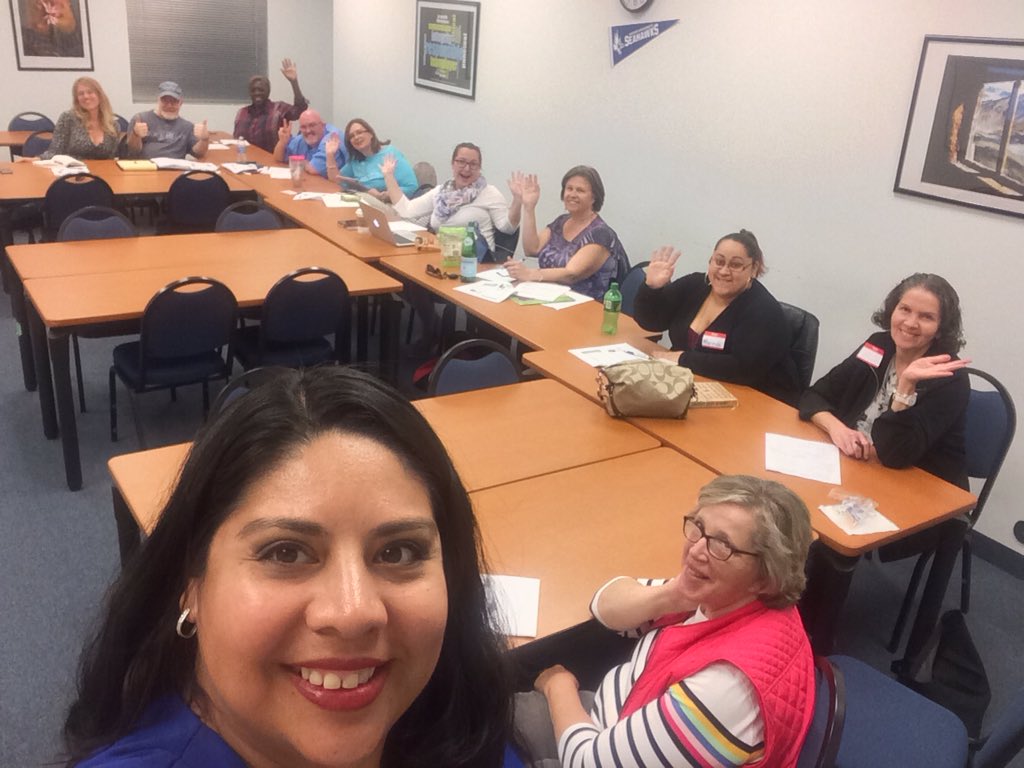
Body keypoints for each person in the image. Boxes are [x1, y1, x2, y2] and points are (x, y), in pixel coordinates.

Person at [62, 367, 516, 768]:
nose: (353, 613)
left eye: (398, 552)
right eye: (285, 553)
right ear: (190, 583)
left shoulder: (458, 721)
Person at [519, 475, 815, 767]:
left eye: (722, 544)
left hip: (591, 748)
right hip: (617, 721)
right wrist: (673, 594)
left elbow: (587, 763)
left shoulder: (728, 687)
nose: (695, 551)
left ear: (765, 577)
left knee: (494, 707)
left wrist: (558, 685)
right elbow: (603, 606)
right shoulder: (724, 597)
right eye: (699, 527)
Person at [798, 272, 970, 667]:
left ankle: (814, 644)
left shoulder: (950, 379)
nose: (910, 322)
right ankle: (784, 610)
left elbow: (895, 454)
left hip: (922, 490)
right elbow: (814, 395)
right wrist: (838, 428)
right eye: (904, 309)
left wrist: (905, 388)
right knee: (784, 502)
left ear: (941, 326)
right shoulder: (877, 345)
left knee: (832, 539)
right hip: (857, 463)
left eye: (926, 317)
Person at [381, 142, 523, 353]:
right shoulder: (441, 192)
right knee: (404, 276)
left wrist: (518, 201)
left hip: (475, 264)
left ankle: (438, 334)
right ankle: (432, 325)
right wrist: (388, 176)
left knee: (416, 280)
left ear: (480, 168)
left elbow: (508, 227)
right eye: (461, 162)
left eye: (473, 164)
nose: (466, 169)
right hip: (444, 258)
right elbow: (407, 210)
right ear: (452, 163)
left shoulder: (489, 193)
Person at [632, 231, 801, 404]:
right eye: (719, 261)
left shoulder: (763, 310)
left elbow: (743, 369)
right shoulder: (694, 285)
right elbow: (651, 322)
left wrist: (682, 359)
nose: (724, 271)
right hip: (694, 385)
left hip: (756, 400)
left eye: (735, 265)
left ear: (754, 268)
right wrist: (651, 288)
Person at [504, 166, 627, 301]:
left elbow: (570, 274)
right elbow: (532, 249)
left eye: (580, 190)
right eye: (569, 189)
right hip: (548, 296)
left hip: (585, 305)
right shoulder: (561, 221)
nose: (572, 194)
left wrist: (529, 274)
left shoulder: (600, 234)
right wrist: (529, 207)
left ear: (594, 198)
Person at [26, 77, 119, 160]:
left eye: (90, 92)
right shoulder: (67, 118)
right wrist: (37, 159)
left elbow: (111, 159)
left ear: (100, 95)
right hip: (72, 172)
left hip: (103, 172)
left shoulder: (113, 126)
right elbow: (55, 151)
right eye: (81, 94)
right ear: (77, 99)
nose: (86, 96)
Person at [327, 118, 418, 200]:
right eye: (352, 136)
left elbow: (411, 187)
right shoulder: (355, 161)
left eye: (359, 132)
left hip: (390, 206)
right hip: (365, 203)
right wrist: (330, 155)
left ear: (371, 134)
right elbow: (336, 179)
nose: (356, 137)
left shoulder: (390, 153)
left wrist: (384, 195)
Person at [232, 57, 309, 153]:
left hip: (274, 159)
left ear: (268, 91)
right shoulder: (242, 113)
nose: (257, 93)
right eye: (253, 90)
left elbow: (300, 110)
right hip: (245, 159)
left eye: (261, 90)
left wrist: (294, 83)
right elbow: (237, 140)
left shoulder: (279, 109)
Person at [127, 81, 209, 160]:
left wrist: (204, 139)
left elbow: (198, 153)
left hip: (176, 168)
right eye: (165, 100)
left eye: (174, 101)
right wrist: (135, 135)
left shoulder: (187, 126)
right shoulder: (141, 119)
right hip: (147, 167)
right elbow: (132, 150)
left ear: (180, 103)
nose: (169, 105)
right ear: (158, 100)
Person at [272, 108, 344, 178]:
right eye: (303, 127)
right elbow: (279, 158)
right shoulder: (301, 139)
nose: (308, 130)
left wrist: (297, 161)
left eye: (312, 125)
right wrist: (282, 143)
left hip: (336, 184)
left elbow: (314, 169)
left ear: (323, 125)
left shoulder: (332, 137)